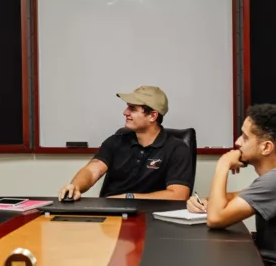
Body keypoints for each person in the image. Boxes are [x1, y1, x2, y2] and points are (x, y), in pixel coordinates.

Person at [188, 103, 276, 266]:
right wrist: (202, 201)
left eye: (244, 137)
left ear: (266, 147)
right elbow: (233, 198)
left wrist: (222, 165)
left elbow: (216, 219)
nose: (237, 142)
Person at [58, 86, 193, 202]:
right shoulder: (116, 140)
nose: (125, 112)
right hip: (111, 216)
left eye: (132, 109)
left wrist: (128, 197)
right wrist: (75, 186)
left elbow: (179, 195)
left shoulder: (177, 148)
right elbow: (92, 170)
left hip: (152, 218)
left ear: (153, 115)